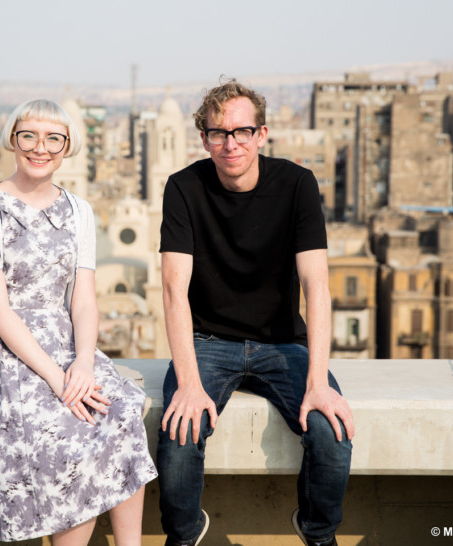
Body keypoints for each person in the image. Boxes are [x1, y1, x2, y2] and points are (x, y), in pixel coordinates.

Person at [0, 99, 157, 545]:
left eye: (54, 138)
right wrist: (59, 379)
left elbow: (83, 298)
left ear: (67, 146)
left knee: (123, 412)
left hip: (64, 337)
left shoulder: (79, 211)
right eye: (29, 136)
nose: (41, 147)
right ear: (12, 141)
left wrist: (84, 365)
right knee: (64, 437)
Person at [156, 79, 355, 546]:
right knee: (179, 436)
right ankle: (183, 537)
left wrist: (319, 381)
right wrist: (187, 382)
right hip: (208, 343)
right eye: (219, 133)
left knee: (330, 432)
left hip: (283, 341)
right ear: (204, 138)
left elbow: (317, 285)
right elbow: (172, 289)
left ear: (261, 134)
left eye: (242, 131)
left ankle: (317, 534)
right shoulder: (183, 188)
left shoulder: (297, 184)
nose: (231, 143)